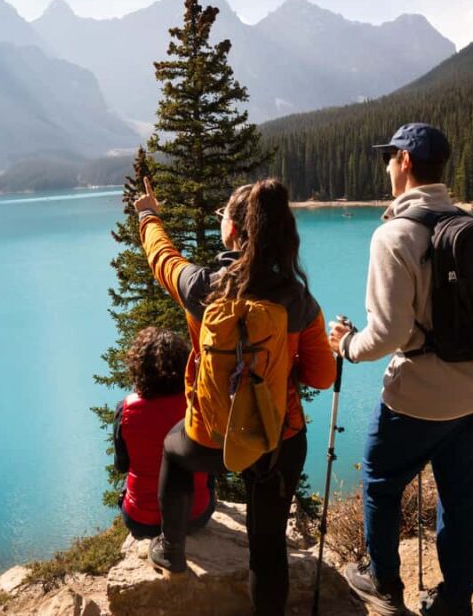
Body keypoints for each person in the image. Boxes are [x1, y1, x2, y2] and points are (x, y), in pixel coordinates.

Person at [134, 177, 335, 616]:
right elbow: (322, 377)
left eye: (224, 214)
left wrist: (148, 213)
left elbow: (162, 258)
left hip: (212, 437)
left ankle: (172, 549)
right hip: (279, 438)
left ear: (234, 231)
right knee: (267, 549)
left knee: (173, 450)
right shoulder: (300, 301)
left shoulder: (200, 287)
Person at [329, 123, 473, 616]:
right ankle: (455, 601)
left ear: (405, 162)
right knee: (461, 494)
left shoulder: (395, 235)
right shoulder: (471, 228)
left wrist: (346, 347)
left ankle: (383, 584)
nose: (386, 166)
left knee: (381, 481)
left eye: (390, 158)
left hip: (420, 397)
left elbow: (385, 337)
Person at [113, 326, 215, 539]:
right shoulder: (196, 404)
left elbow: (121, 465)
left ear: (139, 367)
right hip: (195, 516)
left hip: (142, 522)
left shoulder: (126, 410)